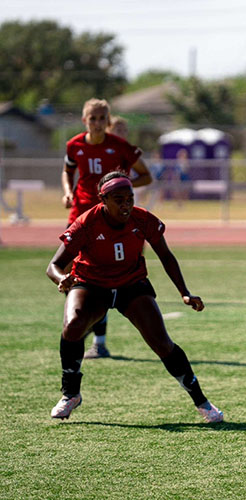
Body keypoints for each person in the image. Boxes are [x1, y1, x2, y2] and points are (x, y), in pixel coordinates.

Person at [46, 172, 223, 423]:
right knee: (73, 325)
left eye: (130, 198)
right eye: (118, 199)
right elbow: (54, 265)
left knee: (162, 343)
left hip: (131, 283)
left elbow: (166, 256)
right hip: (92, 284)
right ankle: (70, 394)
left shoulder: (143, 219)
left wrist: (184, 292)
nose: (126, 205)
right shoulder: (87, 222)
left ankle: (202, 402)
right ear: (103, 199)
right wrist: (60, 279)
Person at [62, 99, 153, 359]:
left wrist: (121, 189)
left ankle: (97, 339)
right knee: (68, 272)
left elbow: (146, 175)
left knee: (101, 275)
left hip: (111, 221)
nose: (98, 123)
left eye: (103, 118)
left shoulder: (119, 147)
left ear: (108, 121)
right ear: (84, 120)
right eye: (93, 118)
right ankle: (84, 322)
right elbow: (67, 171)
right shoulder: (74, 145)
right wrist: (68, 191)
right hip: (80, 215)